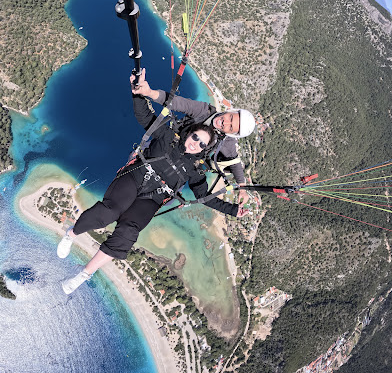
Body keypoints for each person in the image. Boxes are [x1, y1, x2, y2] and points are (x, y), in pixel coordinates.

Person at [57, 69, 248, 294]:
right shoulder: (168, 136)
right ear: (189, 132)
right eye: (195, 136)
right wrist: (139, 92)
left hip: (153, 198)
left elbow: (205, 197)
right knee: (110, 212)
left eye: (202, 144)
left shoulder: (195, 170)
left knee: (128, 233)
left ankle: (84, 274)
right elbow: (146, 116)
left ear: (205, 150)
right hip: (137, 175)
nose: (196, 143)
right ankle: (72, 234)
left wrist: (233, 208)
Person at [132, 70, 256, 206]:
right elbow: (178, 103)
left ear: (231, 134)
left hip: (181, 169)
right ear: (229, 111)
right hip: (165, 147)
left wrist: (242, 187)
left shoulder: (227, 142)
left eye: (230, 127)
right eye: (230, 118)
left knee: (156, 199)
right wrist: (149, 93)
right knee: (137, 168)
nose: (225, 123)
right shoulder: (203, 111)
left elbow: (234, 162)